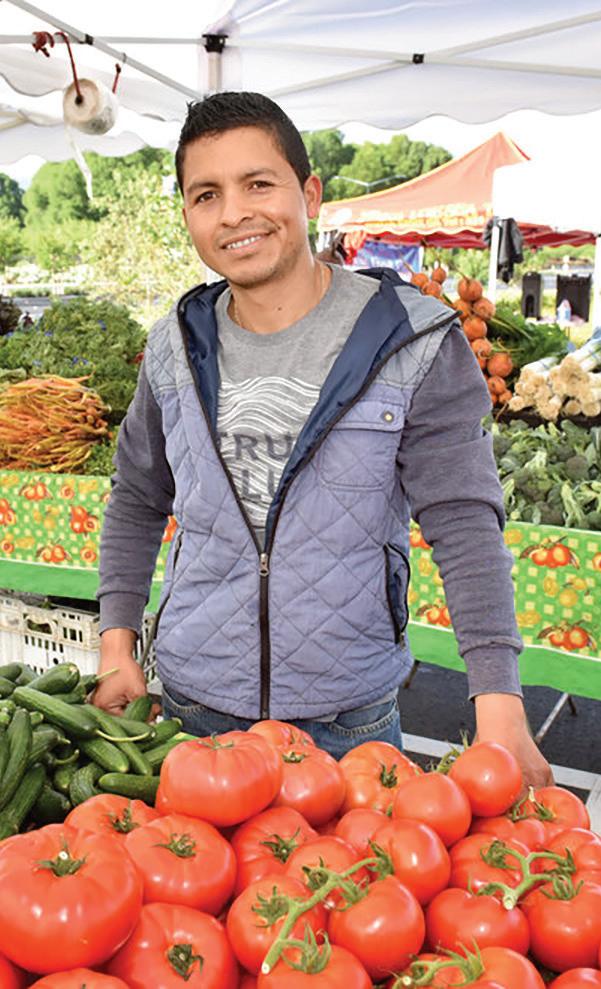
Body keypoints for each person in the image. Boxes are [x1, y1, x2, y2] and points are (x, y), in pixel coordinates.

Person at [95, 91, 552, 785]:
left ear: (309, 193)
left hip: (348, 726)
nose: (233, 213)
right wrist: (115, 645)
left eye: (258, 184)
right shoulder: (171, 347)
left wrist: (499, 706)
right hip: (193, 712)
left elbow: (463, 522)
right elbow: (136, 498)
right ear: (187, 213)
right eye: (206, 195)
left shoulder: (411, 339)